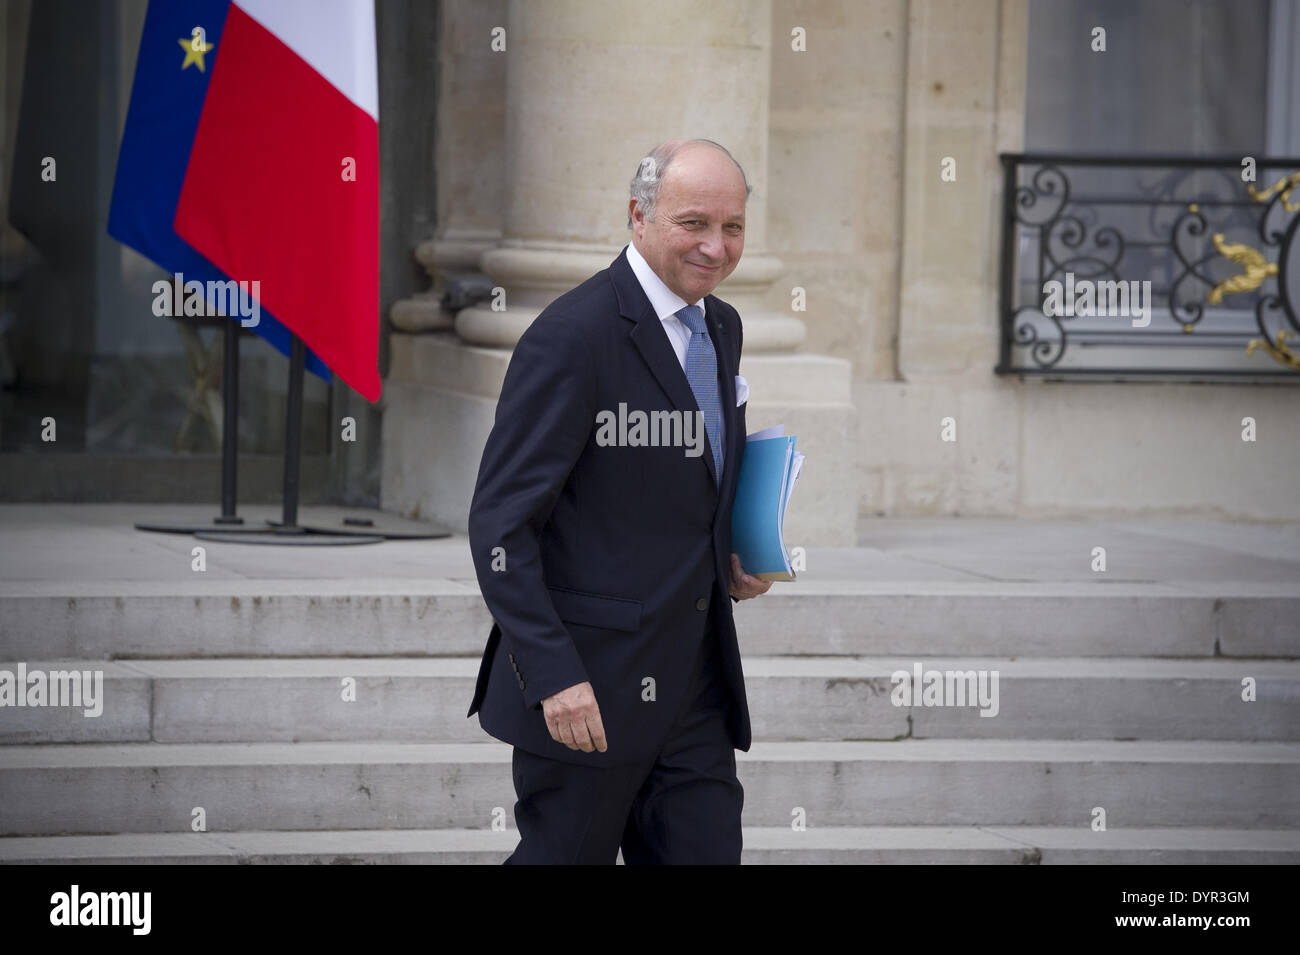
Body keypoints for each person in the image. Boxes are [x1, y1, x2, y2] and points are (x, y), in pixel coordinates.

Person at [466, 138, 772, 865]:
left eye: (732, 227)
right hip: (589, 689)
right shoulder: (572, 336)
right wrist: (555, 676)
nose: (715, 245)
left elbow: (677, 486)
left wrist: (732, 549)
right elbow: (501, 523)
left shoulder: (720, 325)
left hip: (695, 686)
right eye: (693, 222)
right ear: (638, 216)